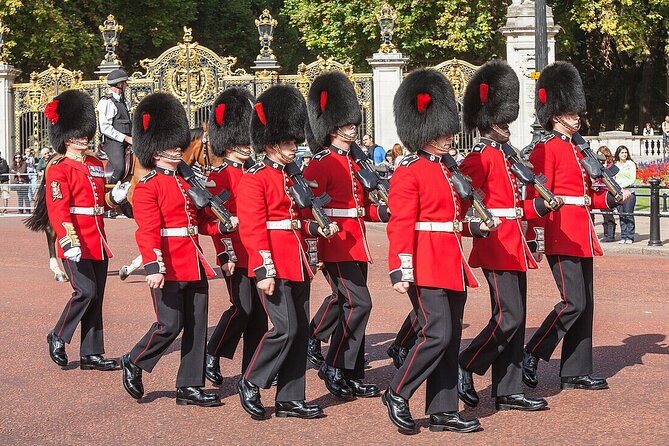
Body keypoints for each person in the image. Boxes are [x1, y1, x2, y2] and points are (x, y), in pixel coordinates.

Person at [382, 68, 492, 435]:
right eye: (443, 130)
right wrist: (401, 267)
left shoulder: (449, 170)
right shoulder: (408, 171)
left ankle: (443, 410)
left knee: (451, 335)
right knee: (436, 333)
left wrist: (478, 227)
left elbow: (454, 220)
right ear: (425, 130)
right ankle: (397, 391)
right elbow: (400, 222)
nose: (449, 136)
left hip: (450, 259)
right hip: (424, 262)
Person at [456, 60, 558, 413]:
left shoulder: (508, 156)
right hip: (496, 244)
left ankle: (508, 389)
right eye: (500, 119)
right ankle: (466, 363)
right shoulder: (479, 157)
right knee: (508, 316)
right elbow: (463, 203)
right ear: (487, 121)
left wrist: (541, 212)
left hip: (516, 243)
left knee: (517, 317)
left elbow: (519, 207)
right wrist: (476, 226)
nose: (506, 126)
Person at [523, 61, 631, 392]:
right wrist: (535, 237)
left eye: (576, 112)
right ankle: (533, 353)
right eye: (570, 113)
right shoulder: (546, 148)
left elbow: (586, 199)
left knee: (586, 306)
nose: (576, 117)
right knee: (573, 303)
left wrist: (612, 201)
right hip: (560, 234)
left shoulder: (577, 149)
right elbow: (536, 197)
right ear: (555, 114)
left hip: (582, 234)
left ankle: (575, 372)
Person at [120, 92, 230, 407]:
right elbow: (148, 230)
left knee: (196, 325)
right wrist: (153, 266)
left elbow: (200, 223)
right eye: (170, 144)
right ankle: (134, 359)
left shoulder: (186, 184)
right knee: (170, 324)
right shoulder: (147, 186)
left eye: (177, 143)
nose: (176, 148)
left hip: (194, 261)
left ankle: (189, 386)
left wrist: (222, 225)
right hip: (168, 262)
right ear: (154, 149)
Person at [236, 84, 338, 420]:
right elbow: (253, 228)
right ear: (270, 144)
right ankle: (250, 381)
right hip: (274, 264)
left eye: (295, 141)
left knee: (299, 331)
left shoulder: (292, 177)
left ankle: (290, 398)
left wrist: (317, 231)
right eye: (288, 142)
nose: (294, 147)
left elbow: (296, 222)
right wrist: (263, 270)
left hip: (297, 261)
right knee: (284, 329)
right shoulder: (255, 178)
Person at [304, 71, 389, 402]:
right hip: (335, 243)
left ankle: (353, 373)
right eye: (346, 122)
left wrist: (387, 211)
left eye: (354, 121)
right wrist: (316, 244)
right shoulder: (321, 164)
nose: (353, 126)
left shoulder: (357, 163)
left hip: (357, 241)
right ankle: (335, 365)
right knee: (359, 303)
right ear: (333, 125)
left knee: (348, 304)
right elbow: (309, 209)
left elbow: (364, 208)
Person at [42, 90, 129, 371]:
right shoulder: (58, 168)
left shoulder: (94, 163)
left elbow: (98, 200)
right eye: (79, 134)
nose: (84, 138)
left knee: (97, 297)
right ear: (66, 137)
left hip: (98, 239)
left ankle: (91, 354)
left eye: (85, 133)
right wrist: (68, 240)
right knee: (85, 292)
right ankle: (58, 335)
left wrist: (114, 198)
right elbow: (58, 208)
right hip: (75, 239)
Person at [203, 87, 268, 386]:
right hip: (236, 254)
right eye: (240, 141)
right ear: (228, 143)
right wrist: (225, 255)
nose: (246, 145)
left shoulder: (256, 173)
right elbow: (212, 222)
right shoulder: (217, 177)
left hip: (257, 252)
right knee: (241, 309)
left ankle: (252, 369)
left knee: (259, 315)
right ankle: (211, 353)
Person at [97, 69, 133, 183]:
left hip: (129, 139)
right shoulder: (106, 102)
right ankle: (111, 192)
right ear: (119, 84)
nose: (126, 85)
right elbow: (105, 128)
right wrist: (125, 138)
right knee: (119, 167)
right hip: (113, 142)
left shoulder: (124, 102)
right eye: (125, 83)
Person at [614, 145, 637, 244]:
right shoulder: (616, 165)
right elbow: (613, 178)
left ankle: (630, 236)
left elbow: (632, 178)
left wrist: (622, 187)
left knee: (628, 214)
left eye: (625, 152)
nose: (624, 154)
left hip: (629, 192)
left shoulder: (630, 164)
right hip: (619, 193)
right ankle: (623, 236)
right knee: (621, 215)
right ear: (618, 154)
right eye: (622, 152)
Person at [595, 146, 616, 242]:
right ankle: (606, 233)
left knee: (608, 214)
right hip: (599, 191)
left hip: (608, 192)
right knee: (603, 214)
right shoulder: (597, 166)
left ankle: (610, 235)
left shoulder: (611, 166)